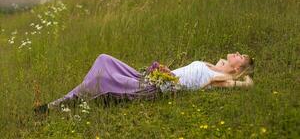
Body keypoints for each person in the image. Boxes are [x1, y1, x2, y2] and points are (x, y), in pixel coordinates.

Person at [34, 52, 254, 114]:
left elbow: (234, 84)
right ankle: (71, 99)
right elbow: (215, 65)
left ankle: (57, 105)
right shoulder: (215, 66)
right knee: (104, 59)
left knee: (101, 78)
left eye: (240, 57)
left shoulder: (220, 78)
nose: (236, 53)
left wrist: (242, 81)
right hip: (149, 77)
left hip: (154, 88)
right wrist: (225, 64)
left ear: (236, 69)